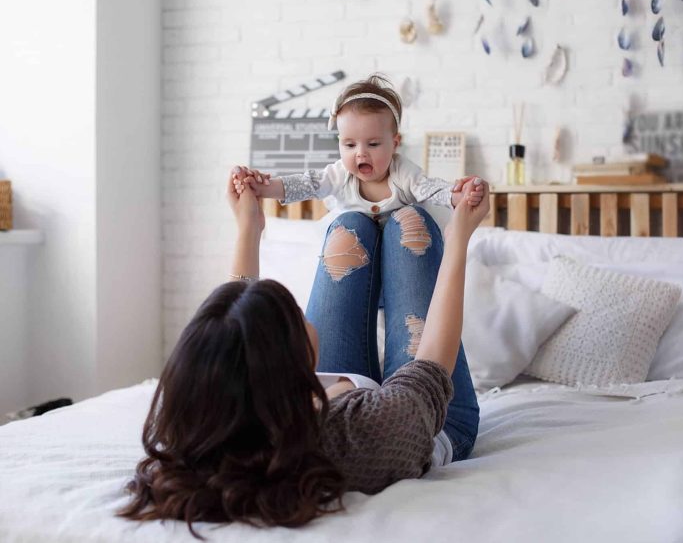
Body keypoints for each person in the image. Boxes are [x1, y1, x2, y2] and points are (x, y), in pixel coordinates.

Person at [119, 171, 489, 536]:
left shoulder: (202, 415)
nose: (304, 312)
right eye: (297, 316)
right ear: (290, 361)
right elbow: (431, 370)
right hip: (430, 415)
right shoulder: (367, 431)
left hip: (330, 398)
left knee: (351, 224)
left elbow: (235, 330)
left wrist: (249, 226)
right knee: (410, 221)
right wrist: (457, 239)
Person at [236, 73, 484, 218]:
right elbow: (306, 184)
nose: (361, 153)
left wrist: (456, 195)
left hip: (399, 254)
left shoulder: (404, 174)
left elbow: (430, 189)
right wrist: (263, 188)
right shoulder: (339, 174)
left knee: (412, 222)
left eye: (374, 144)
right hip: (357, 255)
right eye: (349, 144)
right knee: (349, 227)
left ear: (395, 144)